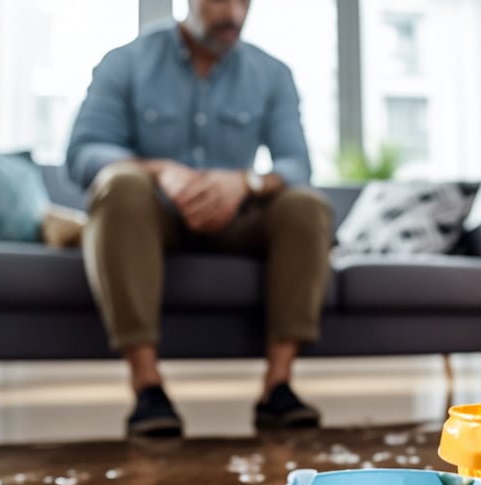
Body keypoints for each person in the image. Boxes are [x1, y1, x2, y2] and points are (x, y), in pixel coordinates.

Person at [67, 0, 331, 437]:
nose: (234, 14)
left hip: (236, 218)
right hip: (152, 217)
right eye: (220, 1)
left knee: (305, 204)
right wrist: (161, 171)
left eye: (244, 2)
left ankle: (278, 387)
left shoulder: (272, 74)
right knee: (120, 184)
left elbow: (296, 164)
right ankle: (148, 387)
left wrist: (244, 182)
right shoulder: (125, 62)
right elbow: (84, 154)